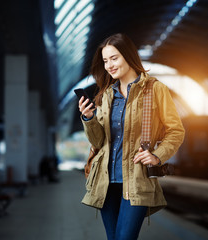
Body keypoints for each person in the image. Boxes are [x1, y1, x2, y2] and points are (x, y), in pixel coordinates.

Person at [78, 33, 185, 240]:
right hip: (105, 181)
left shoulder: (155, 89)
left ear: (128, 56)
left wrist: (157, 156)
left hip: (137, 179)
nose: (109, 65)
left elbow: (176, 130)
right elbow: (99, 141)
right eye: (105, 60)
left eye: (114, 58)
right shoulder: (106, 95)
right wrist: (88, 118)